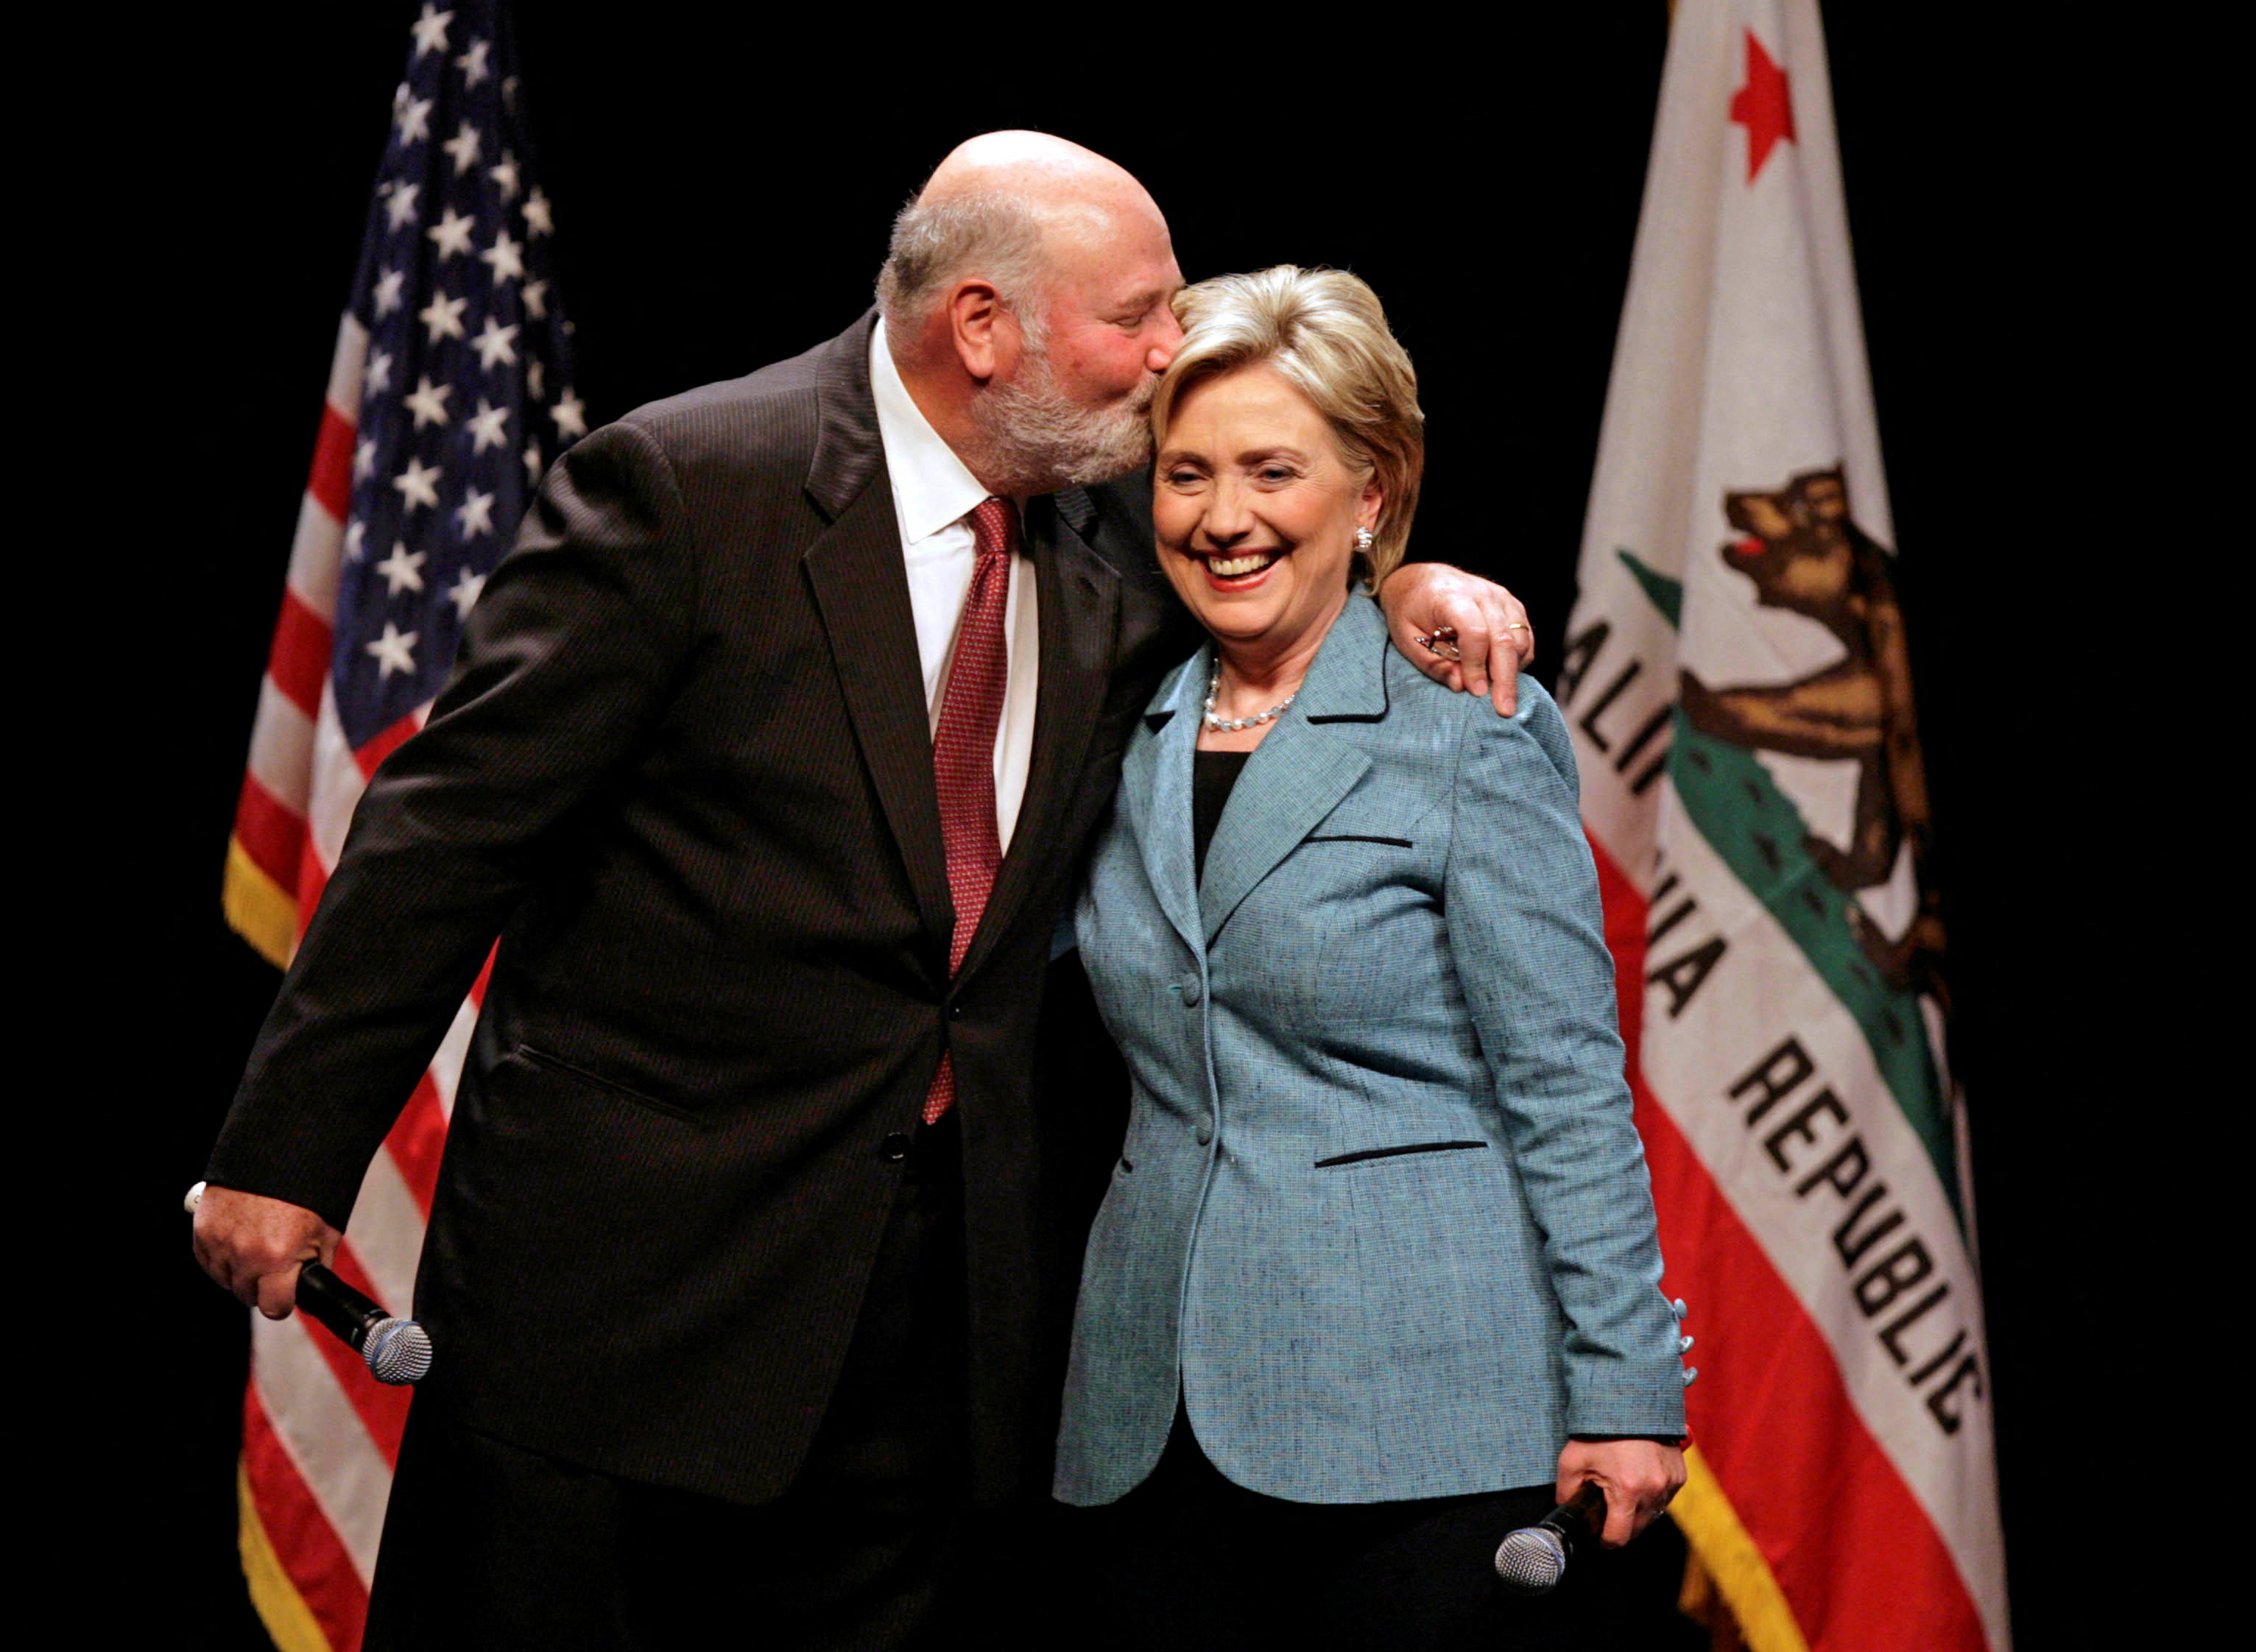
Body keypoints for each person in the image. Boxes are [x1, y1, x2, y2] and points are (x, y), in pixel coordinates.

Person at [189, 135, 1535, 1651]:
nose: (1173, 351)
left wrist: (1404, 589)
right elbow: (447, 834)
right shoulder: (690, 487)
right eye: (1136, 314)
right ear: (984, 327)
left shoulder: (1113, 528)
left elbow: (1276, 580)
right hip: (621, 1320)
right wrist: (284, 1156)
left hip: (929, 1357)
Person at [1054, 266, 1689, 1651]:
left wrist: (1629, 1388)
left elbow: (1568, 1085)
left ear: (1372, 492)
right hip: (1148, 1425)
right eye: (1187, 474)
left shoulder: (1464, 728)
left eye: (1274, 470)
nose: (1223, 516)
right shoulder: (1110, 725)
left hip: (1429, 1424)